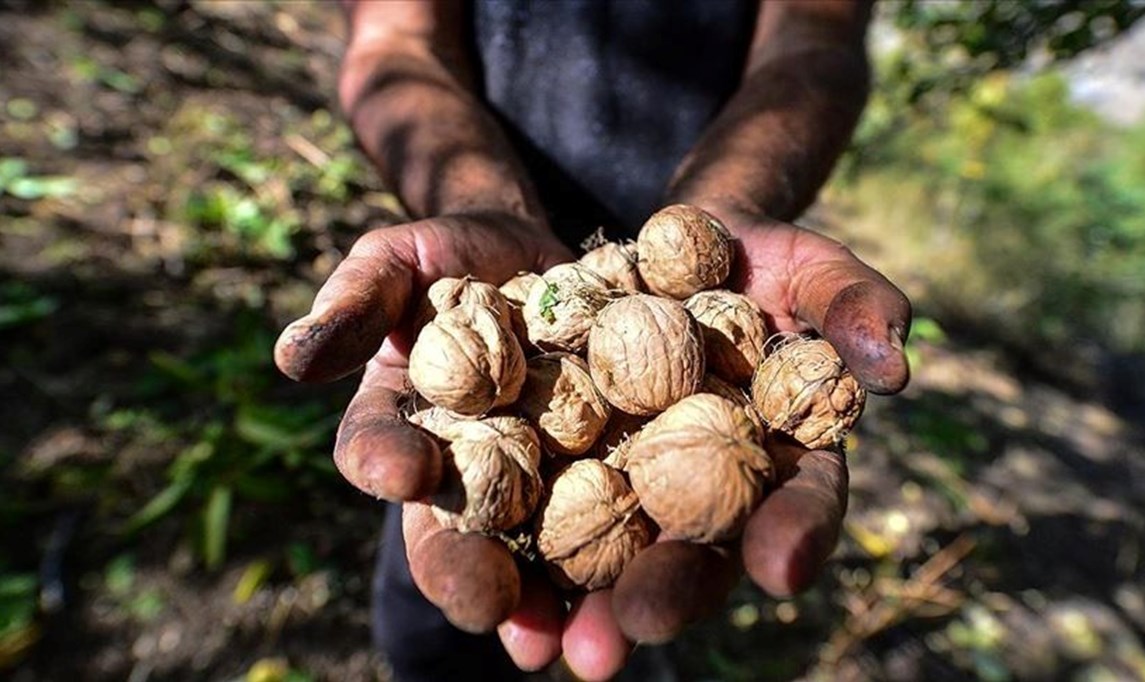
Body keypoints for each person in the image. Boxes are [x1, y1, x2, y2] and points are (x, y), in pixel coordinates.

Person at [274, 1, 911, 680]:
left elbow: (814, 42)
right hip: (505, 242)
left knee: (646, 613)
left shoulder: (689, 352)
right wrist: (482, 204)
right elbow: (396, 43)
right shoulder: (501, 361)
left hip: (697, 244)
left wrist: (729, 208)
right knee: (441, 618)